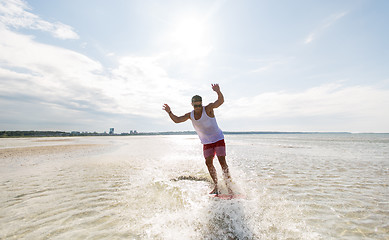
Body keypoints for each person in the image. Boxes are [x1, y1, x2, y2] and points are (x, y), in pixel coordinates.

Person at [162, 84, 232, 195]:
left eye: (199, 105)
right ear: (192, 105)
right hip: (206, 142)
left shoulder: (208, 109)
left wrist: (218, 91)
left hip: (218, 138)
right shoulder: (190, 115)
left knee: (222, 162)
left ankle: (230, 188)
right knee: (208, 163)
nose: (198, 108)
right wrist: (169, 112)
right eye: (195, 106)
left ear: (201, 104)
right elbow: (177, 120)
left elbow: (220, 101)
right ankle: (216, 186)